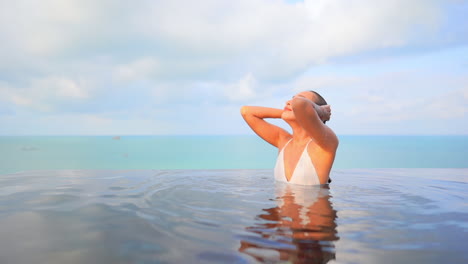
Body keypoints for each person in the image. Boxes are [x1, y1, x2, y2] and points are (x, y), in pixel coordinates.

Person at [240, 91, 338, 185]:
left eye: (300, 98)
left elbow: (299, 104)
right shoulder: (283, 141)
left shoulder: (325, 144)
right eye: (292, 98)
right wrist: (284, 113)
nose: (289, 102)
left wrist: (321, 112)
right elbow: (246, 111)